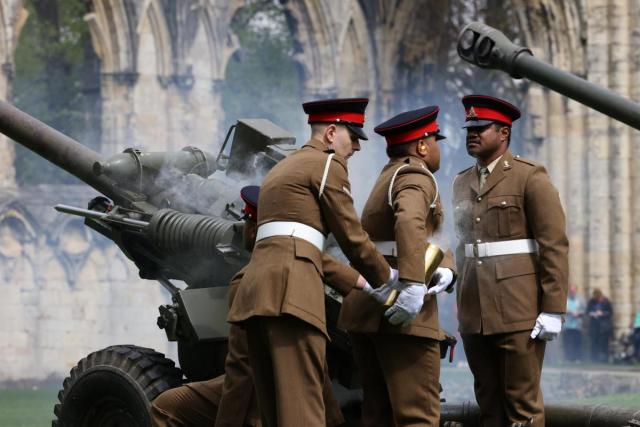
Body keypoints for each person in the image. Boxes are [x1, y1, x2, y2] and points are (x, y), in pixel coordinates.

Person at [228, 98, 397, 427]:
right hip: (291, 297)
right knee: (303, 411)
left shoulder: (281, 169)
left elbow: (295, 243)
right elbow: (351, 235)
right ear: (332, 133)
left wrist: (358, 282)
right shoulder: (326, 165)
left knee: (275, 410)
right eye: (354, 138)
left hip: (255, 297)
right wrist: (388, 279)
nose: (358, 149)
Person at [150, 185, 361, 427]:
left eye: (248, 221)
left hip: (267, 392)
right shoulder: (312, 269)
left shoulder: (248, 279)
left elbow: (243, 367)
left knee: (167, 407)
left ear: (254, 230)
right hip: (314, 392)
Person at [453, 95, 569, 426]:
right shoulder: (461, 182)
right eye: (468, 128)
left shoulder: (530, 177)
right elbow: (463, 247)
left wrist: (553, 308)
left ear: (504, 133)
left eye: (480, 127)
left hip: (518, 310)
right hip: (475, 310)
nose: (471, 134)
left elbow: (554, 245)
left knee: (523, 405)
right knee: (488, 401)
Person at [339, 106, 456, 426]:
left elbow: (415, 235)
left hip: (369, 307)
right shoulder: (416, 175)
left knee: (378, 413)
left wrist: (446, 265)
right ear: (421, 145)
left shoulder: (389, 176)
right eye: (435, 140)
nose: (437, 148)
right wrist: (413, 283)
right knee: (417, 415)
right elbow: (410, 223)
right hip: (403, 311)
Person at [586, 288, 613, 363]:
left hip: (604, 327)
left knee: (604, 343)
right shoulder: (592, 302)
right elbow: (587, 311)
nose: (597, 299)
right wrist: (592, 313)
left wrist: (603, 313)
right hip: (594, 326)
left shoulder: (606, 302)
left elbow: (610, 313)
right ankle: (594, 359)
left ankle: (605, 359)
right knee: (594, 343)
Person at [564, 284, 585, 362]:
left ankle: (577, 358)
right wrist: (569, 312)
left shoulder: (580, 299)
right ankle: (568, 358)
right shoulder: (566, 299)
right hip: (567, 325)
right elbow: (562, 309)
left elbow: (584, 310)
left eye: (573, 290)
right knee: (568, 343)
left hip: (577, 325)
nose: (572, 292)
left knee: (577, 343)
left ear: (576, 290)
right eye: (571, 290)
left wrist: (578, 313)